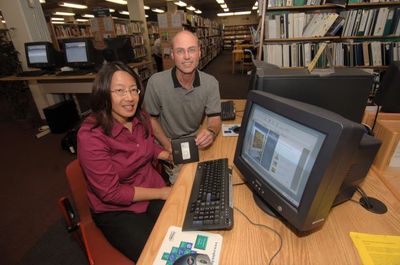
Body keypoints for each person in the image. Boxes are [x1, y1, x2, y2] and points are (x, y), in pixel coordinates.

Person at [77, 61, 172, 262]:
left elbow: (143, 147)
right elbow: (111, 192)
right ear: (104, 94)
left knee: (186, 230)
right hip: (117, 210)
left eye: (133, 90)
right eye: (120, 91)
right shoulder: (90, 136)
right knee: (159, 256)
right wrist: (163, 192)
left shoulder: (141, 116)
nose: (130, 98)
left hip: (151, 188)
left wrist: (164, 154)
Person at [144, 30, 222, 183]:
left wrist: (211, 131)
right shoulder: (156, 82)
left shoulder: (211, 82)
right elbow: (150, 119)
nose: (187, 56)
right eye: (180, 51)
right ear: (172, 55)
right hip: (168, 142)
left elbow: (215, 118)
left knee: (218, 174)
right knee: (186, 185)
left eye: (191, 50)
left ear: (200, 52)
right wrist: (168, 146)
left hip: (196, 141)